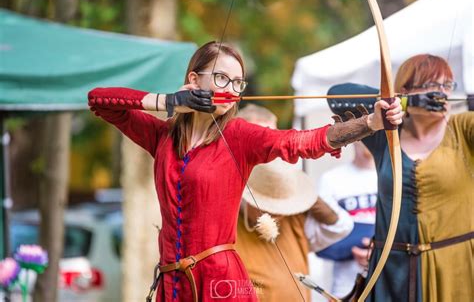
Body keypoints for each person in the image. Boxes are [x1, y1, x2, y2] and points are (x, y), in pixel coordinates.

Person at [87, 41, 402, 301]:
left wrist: (370, 123)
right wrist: (169, 101)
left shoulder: (239, 135)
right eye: (221, 78)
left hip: (220, 285)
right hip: (173, 286)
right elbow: (100, 100)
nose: (232, 89)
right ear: (194, 80)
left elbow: (300, 142)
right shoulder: (162, 137)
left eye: (237, 83)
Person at [361, 54, 473, 302]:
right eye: (433, 85)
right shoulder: (385, 135)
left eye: (447, 86)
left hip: (455, 269)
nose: (442, 93)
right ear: (404, 91)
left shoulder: (463, 129)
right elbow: (338, 94)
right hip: (392, 273)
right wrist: (399, 103)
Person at [234, 104, 354, 302]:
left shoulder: (292, 201)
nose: (266, 146)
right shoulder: (223, 198)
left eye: (270, 135)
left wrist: (303, 192)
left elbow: (341, 226)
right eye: (256, 136)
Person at [313, 141, 377, 298]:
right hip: (346, 287)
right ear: (354, 138)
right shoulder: (331, 180)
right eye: (365, 133)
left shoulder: (397, 178)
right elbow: (319, 238)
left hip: (390, 284)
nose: (370, 138)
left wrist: (378, 251)